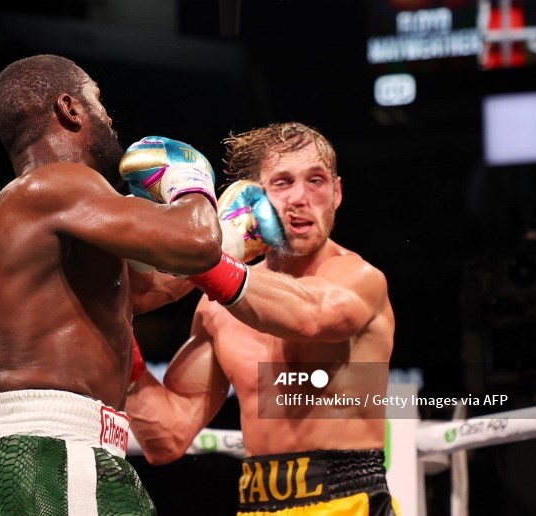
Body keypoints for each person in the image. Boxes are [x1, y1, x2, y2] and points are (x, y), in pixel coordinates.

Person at [0, 53, 237, 515]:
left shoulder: (47, 202)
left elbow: (142, 291)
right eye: (98, 101)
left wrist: (235, 244)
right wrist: (187, 178)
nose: (109, 117)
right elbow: (197, 240)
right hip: (57, 458)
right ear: (70, 108)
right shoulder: (58, 184)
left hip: (37, 455)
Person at [126, 122, 400, 515]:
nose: (301, 198)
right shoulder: (216, 309)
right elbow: (165, 437)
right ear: (252, 195)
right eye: (283, 182)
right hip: (256, 504)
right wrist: (115, 334)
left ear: (337, 193)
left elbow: (308, 317)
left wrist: (201, 253)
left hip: (349, 500)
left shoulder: (359, 279)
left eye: (317, 181)